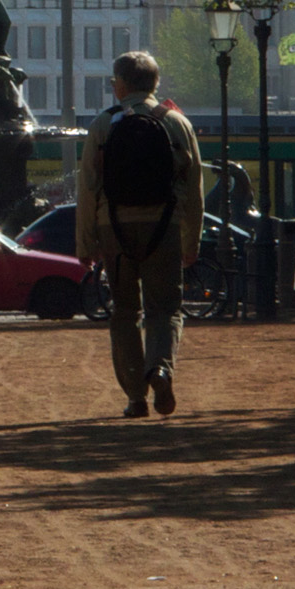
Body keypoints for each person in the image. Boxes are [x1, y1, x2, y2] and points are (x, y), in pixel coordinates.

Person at [78, 50, 204, 418]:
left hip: (112, 228)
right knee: (164, 309)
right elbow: (194, 190)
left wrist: (86, 244)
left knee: (125, 312)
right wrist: (190, 241)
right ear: (154, 84)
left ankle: (136, 397)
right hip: (163, 226)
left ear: (120, 85)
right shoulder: (177, 122)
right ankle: (161, 368)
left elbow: (87, 188)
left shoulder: (103, 125)